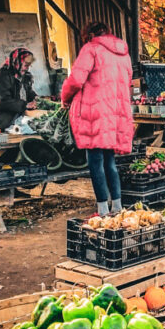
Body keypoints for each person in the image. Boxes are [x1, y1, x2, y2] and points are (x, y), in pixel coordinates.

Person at [61, 21, 134, 216]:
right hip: (115, 113)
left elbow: (76, 80)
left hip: (94, 113)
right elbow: (128, 82)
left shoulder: (91, 49)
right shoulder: (123, 53)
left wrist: (65, 98)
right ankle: (117, 206)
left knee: (95, 161)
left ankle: (102, 208)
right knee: (109, 160)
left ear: (90, 35)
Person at [0, 47, 37, 130]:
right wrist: (25, 105)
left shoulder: (23, 75)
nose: (27, 68)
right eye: (26, 65)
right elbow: (2, 101)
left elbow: (28, 92)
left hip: (15, 121)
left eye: (29, 65)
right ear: (16, 62)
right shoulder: (3, 75)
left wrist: (36, 99)